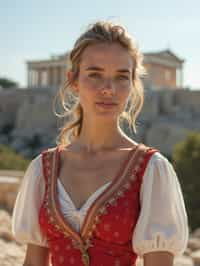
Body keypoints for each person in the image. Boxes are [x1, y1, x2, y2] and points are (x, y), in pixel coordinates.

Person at [12, 21, 189, 266]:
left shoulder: (151, 170)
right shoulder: (43, 169)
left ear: (133, 83)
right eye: (95, 75)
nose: (108, 89)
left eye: (121, 77)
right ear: (73, 80)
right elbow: (33, 262)